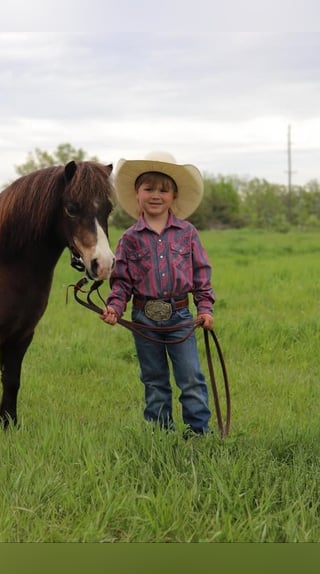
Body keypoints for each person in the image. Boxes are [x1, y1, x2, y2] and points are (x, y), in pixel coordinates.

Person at [101, 151, 215, 436]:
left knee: (191, 377)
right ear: (136, 195)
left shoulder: (187, 233)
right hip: (144, 317)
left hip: (180, 317)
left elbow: (201, 273)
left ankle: (198, 432)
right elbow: (121, 281)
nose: (156, 195)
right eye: (148, 189)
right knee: (153, 379)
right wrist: (115, 306)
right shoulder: (129, 239)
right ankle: (160, 434)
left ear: (173, 196)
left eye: (163, 190)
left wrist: (205, 308)